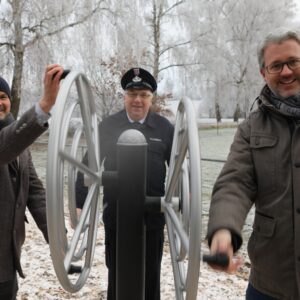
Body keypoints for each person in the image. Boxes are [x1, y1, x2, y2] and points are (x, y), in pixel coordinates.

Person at [206, 27, 300, 300]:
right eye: (276, 65)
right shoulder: (251, 128)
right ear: (263, 73)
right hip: (270, 283)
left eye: (293, 62)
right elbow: (234, 183)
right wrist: (223, 232)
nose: (286, 72)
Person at [76, 67, 174, 300]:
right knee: (117, 278)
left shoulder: (164, 128)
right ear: (124, 96)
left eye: (143, 95)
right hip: (116, 219)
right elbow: (87, 166)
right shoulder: (108, 126)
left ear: (151, 98)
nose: (137, 100)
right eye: (132, 94)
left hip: (151, 220)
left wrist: (181, 206)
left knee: (150, 279)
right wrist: (79, 203)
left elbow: (180, 172)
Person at [0, 64, 64, 299]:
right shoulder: (12, 140)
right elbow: (4, 147)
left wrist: (58, 236)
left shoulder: (20, 145)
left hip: (6, 262)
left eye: (3, 97)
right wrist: (45, 105)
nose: (0, 103)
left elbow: (35, 193)